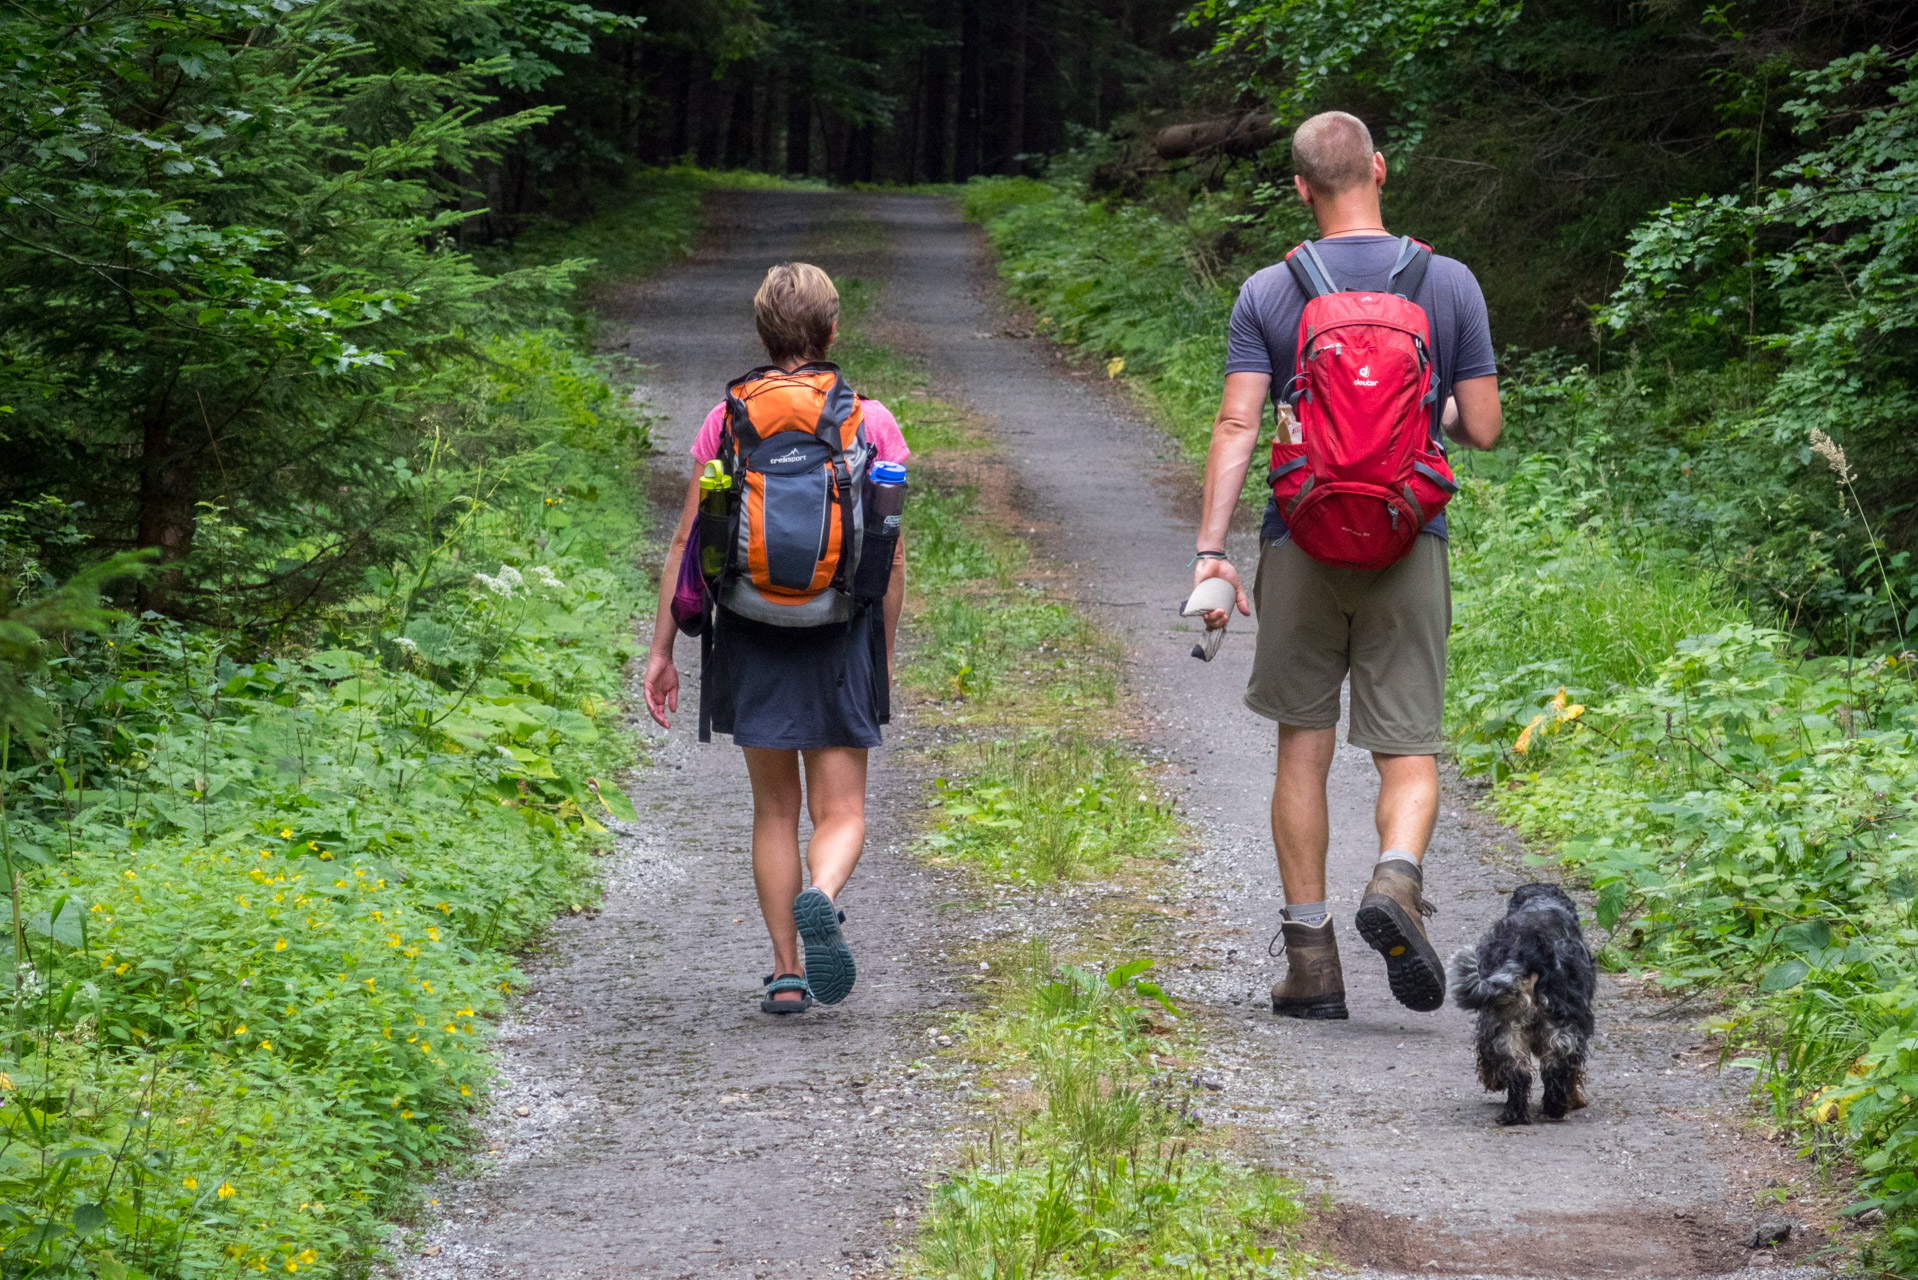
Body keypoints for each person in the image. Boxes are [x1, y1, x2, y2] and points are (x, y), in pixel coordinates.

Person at [1191, 111, 1502, 1020]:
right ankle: (1397, 880)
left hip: (1299, 539)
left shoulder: (1270, 291)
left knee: (1304, 746)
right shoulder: (1446, 284)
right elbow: (1482, 427)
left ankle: (1313, 963)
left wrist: (1213, 552)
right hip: (1410, 541)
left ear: (1299, 188)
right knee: (1407, 748)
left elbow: (1238, 425)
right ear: (1380, 167)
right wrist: (1429, 415)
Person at [642, 262, 908, 1015]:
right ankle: (821, 893)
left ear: (761, 333)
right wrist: (880, 655)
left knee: (773, 812)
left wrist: (662, 649)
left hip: (751, 627)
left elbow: (688, 541)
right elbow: (888, 559)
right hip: (838, 630)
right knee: (843, 811)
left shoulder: (726, 419)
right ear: (832, 332)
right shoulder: (870, 421)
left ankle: (787, 973)